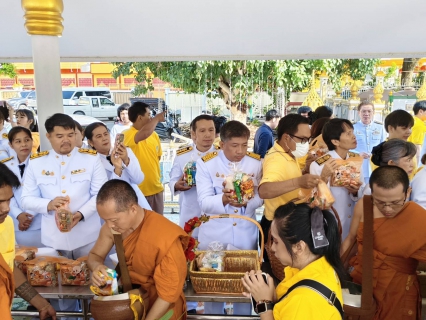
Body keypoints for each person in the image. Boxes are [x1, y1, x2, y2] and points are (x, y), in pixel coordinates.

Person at [21, 113, 108, 317]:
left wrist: (80, 214)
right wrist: (48, 204)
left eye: (70, 134)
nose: (66, 140)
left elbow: (101, 194)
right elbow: (26, 199)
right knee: (60, 293)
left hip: (88, 238)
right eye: (59, 136)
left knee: (96, 287)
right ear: (48, 136)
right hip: (54, 240)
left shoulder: (91, 159)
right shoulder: (36, 162)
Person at [88, 180, 189, 320]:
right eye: (105, 220)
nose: (110, 226)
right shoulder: (112, 229)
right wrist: (97, 267)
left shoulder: (165, 236)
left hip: (161, 309)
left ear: (133, 209)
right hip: (129, 305)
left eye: (114, 220)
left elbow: (167, 295)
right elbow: (95, 255)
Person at [196, 120, 264, 315]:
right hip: (215, 235)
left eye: (244, 145)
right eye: (234, 145)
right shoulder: (206, 163)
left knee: (245, 287)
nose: (240, 151)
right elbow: (204, 202)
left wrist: (247, 203)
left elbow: (260, 196)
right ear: (222, 144)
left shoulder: (255, 162)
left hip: (245, 234)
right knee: (213, 286)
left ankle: (244, 316)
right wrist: (225, 199)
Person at [241, 202, 344, 319]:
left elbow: (298, 304)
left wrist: (263, 303)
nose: (272, 248)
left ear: (299, 247)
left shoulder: (303, 300)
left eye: (275, 241)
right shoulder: (321, 266)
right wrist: (268, 295)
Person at [348, 166, 426, 320]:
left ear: (408, 192)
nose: (388, 209)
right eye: (380, 202)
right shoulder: (364, 206)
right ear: (371, 191)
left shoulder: (418, 217)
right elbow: (350, 242)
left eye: (396, 202)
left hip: (398, 290)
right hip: (364, 282)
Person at [0, 163, 56, 320]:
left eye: (9, 200)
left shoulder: (6, 224)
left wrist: (41, 304)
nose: (6, 209)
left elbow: (9, 268)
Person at [259, 114, 320, 255]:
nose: (306, 143)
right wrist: (298, 182)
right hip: (277, 227)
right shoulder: (276, 159)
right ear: (287, 137)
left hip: (289, 221)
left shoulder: (289, 154)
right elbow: (264, 190)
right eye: (302, 139)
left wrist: (305, 169)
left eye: (308, 139)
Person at [342, 139, 417, 254]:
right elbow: (353, 237)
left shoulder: (406, 185)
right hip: (373, 258)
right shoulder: (372, 191)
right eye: (408, 160)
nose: (412, 164)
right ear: (391, 163)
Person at [310, 118, 365, 240]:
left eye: (353, 132)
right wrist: (324, 177)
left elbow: (363, 191)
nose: (354, 136)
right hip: (332, 223)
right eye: (348, 133)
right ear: (335, 141)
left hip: (353, 221)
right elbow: (316, 202)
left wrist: (356, 191)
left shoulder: (355, 159)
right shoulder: (319, 165)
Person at [84, 122, 151, 210]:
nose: (104, 138)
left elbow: (138, 179)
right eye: (99, 136)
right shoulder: (90, 160)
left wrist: (126, 160)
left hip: (136, 202)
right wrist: (117, 169)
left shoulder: (125, 151)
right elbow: (105, 192)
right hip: (113, 208)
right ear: (90, 142)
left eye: (105, 134)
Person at [169, 115, 217, 234]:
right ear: (193, 134)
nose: (208, 134)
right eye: (202, 131)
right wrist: (176, 185)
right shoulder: (183, 155)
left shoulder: (221, 154)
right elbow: (173, 179)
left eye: (211, 130)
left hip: (215, 215)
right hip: (190, 213)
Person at [1, 127, 42, 247]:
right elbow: (5, 195)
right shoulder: (5, 165)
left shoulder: (43, 163)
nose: (23, 144)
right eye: (18, 141)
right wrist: (19, 214)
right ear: (11, 145)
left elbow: (44, 191)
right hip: (14, 221)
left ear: (32, 141)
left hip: (39, 222)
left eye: (27, 140)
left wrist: (29, 215)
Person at [123, 101, 165, 214]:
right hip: (138, 192)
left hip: (156, 189)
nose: (151, 118)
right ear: (140, 117)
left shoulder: (154, 135)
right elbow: (143, 135)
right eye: (149, 115)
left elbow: (157, 158)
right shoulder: (127, 134)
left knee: (158, 227)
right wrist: (157, 119)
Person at [371, 109, 417, 180]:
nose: (409, 132)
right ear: (391, 128)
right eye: (404, 128)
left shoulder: (408, 148)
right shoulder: (381, 152)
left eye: (410, 128)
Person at [352, 101, 386, 183]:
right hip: (358, 166)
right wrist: (357, 154)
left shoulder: (380, 127)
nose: (366, 114)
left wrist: (375, 154)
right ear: (358, 113)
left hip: (375, 166)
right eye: (363, 111)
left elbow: (384, 146)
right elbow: (347, 147)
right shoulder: (353, 127)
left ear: (373, 113)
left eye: (369, 111)